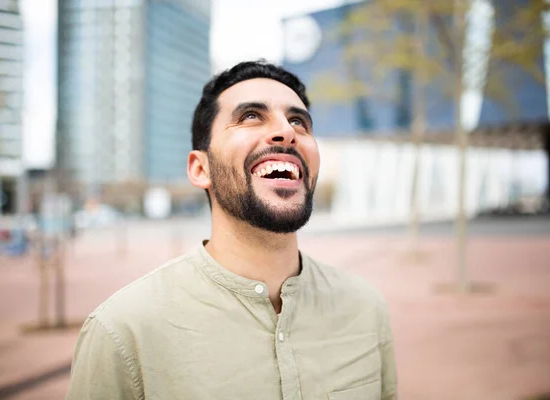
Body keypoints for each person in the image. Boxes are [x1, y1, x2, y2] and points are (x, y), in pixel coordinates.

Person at [66, 61, 397, 400]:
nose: (287, 131)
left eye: (298, 121)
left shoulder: (366, 309)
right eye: (251, 116)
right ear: (200, 168)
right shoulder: (123, 331)